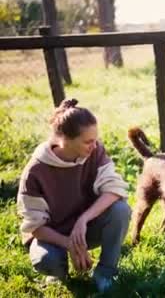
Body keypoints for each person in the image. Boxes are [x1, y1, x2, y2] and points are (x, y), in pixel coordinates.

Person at [16, 98, 131, 293]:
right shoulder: (36, 171)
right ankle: (58, 273)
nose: (94, 146)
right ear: (65, 140)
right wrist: (70, 244)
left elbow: (114, 190)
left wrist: (83, 220)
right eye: (88, 141)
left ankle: (105, 273)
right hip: (53, 236)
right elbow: (35, 227)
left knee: (121, 210)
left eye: (95, 139)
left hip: (86, 229)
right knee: (46, 260)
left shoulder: (95, 152)